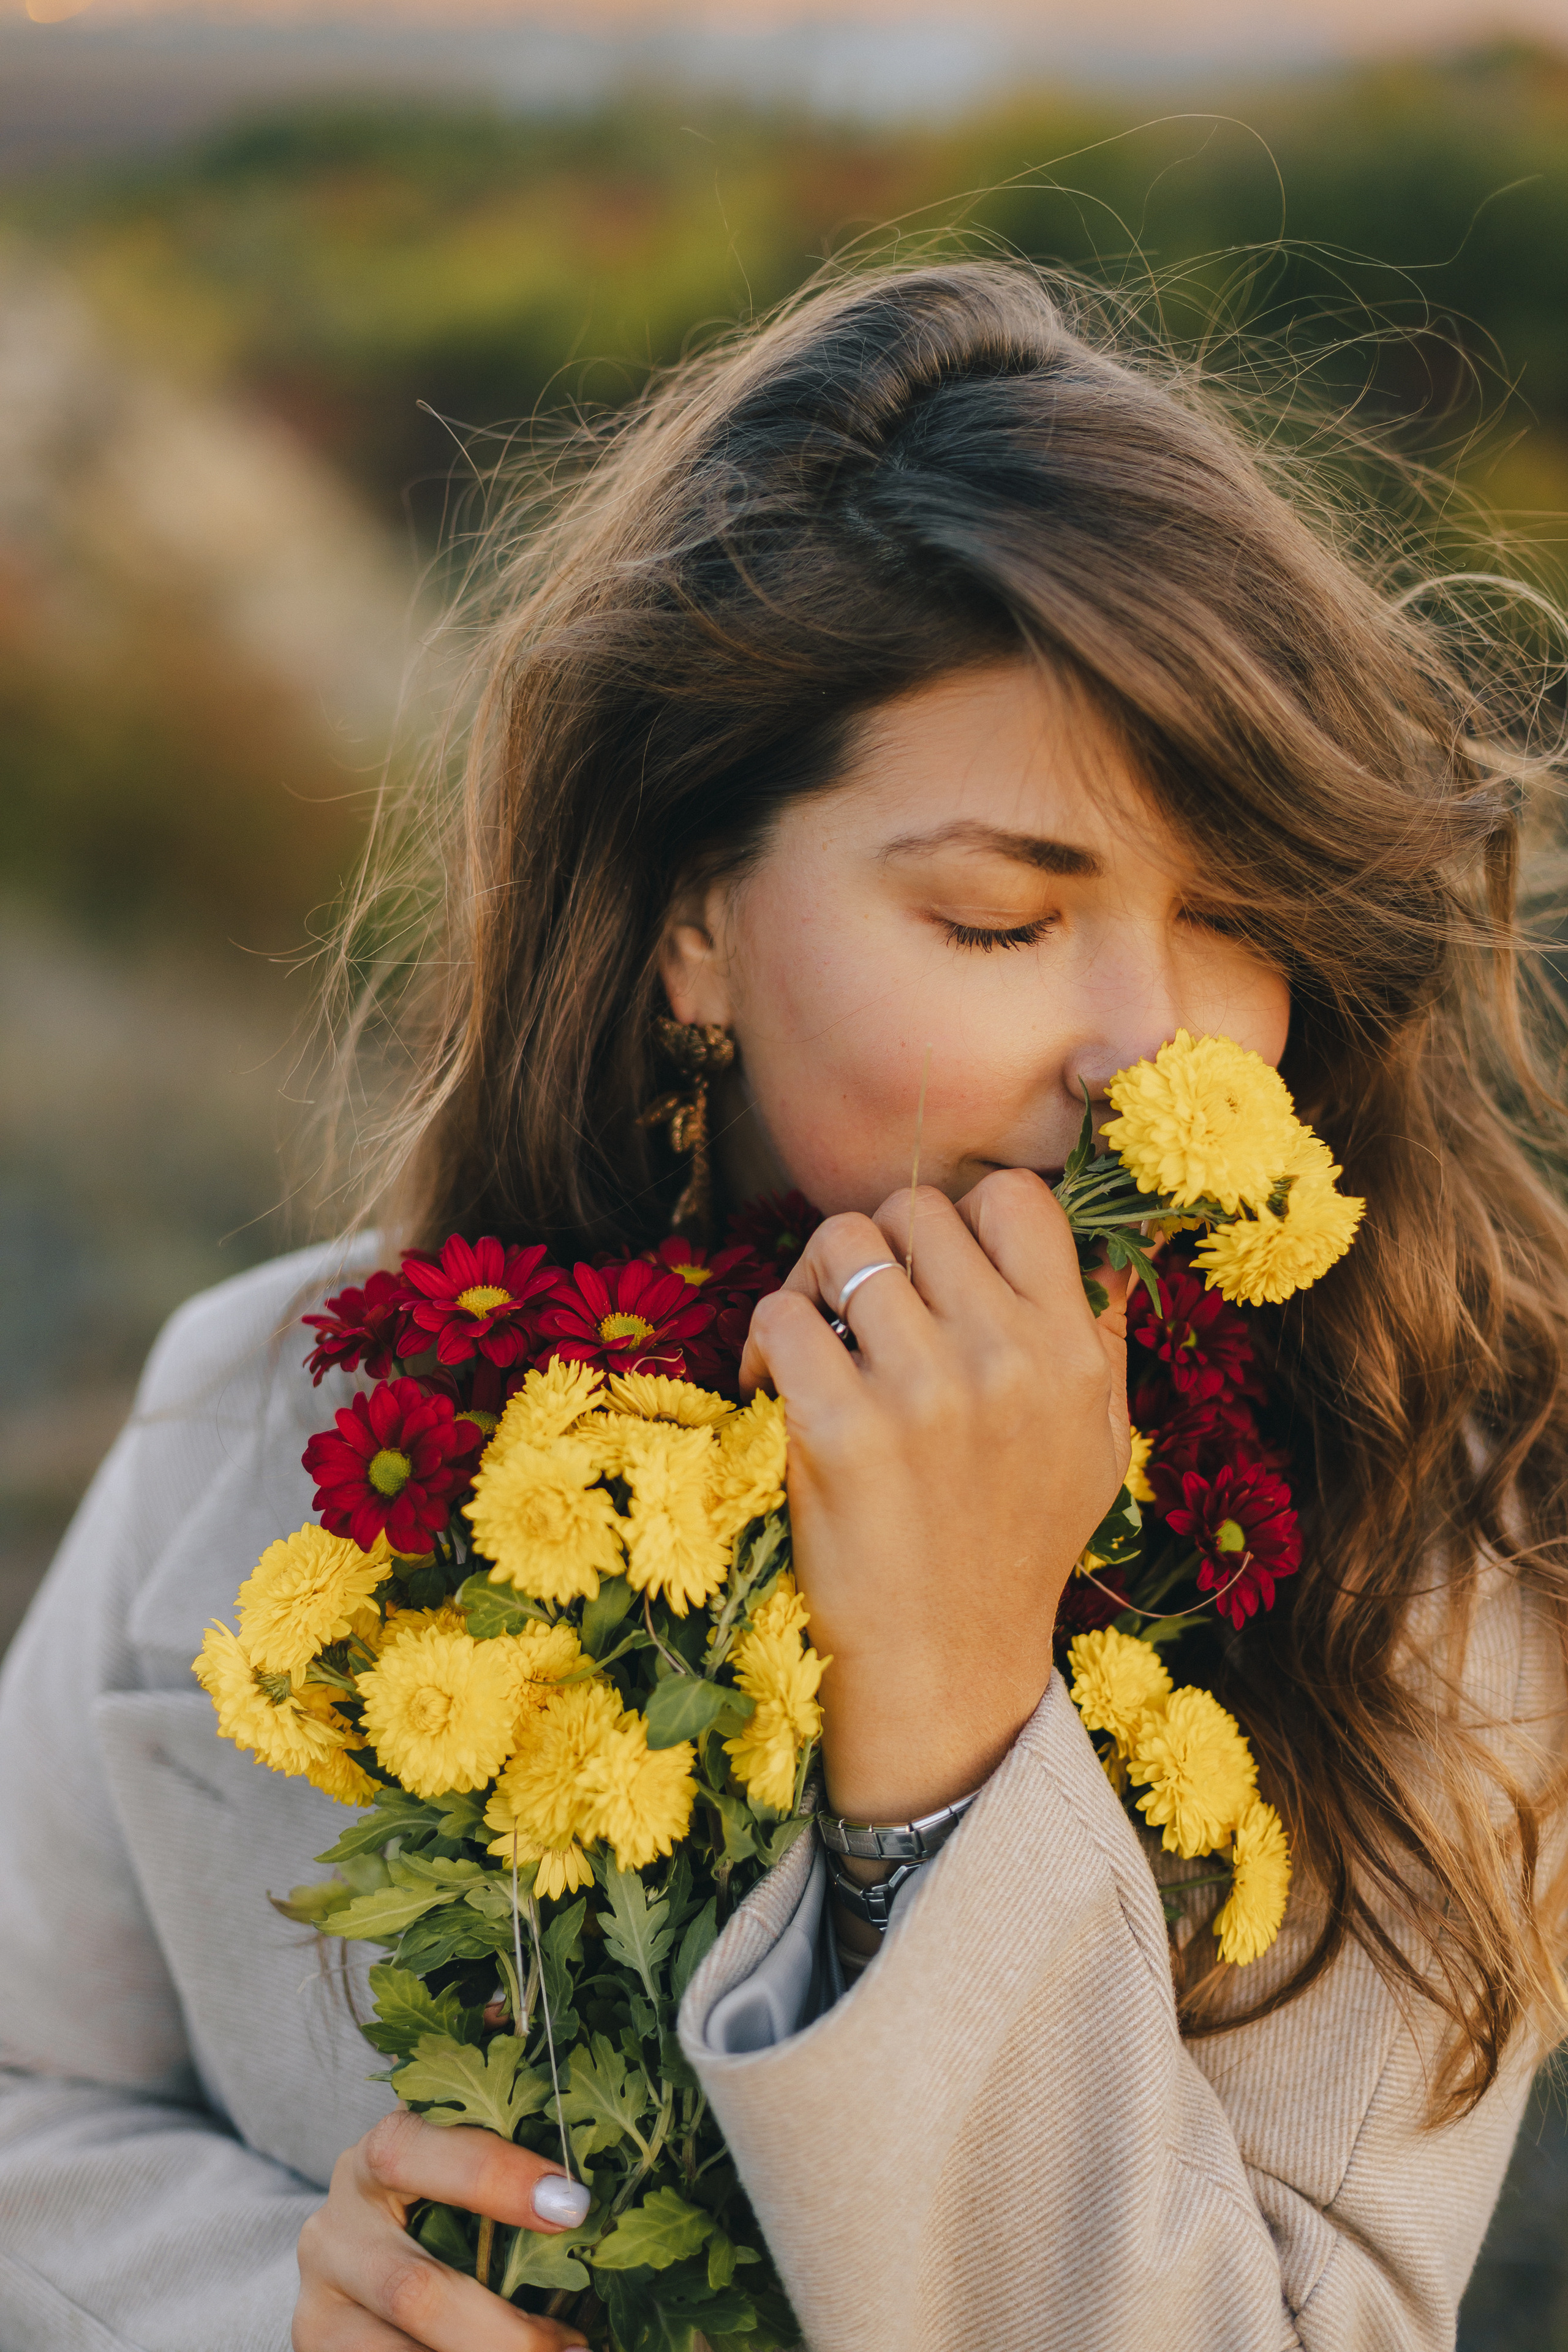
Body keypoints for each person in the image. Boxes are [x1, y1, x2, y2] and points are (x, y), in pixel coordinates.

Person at [1, 260, 1565, 2352]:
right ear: (695, 929)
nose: (1145, 1049)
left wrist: (950, 1728)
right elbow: (34, 2104)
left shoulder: (1424, 1560)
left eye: (1238, 917)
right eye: (1002, 919)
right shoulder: (253, 1412)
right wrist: (267, 2302)